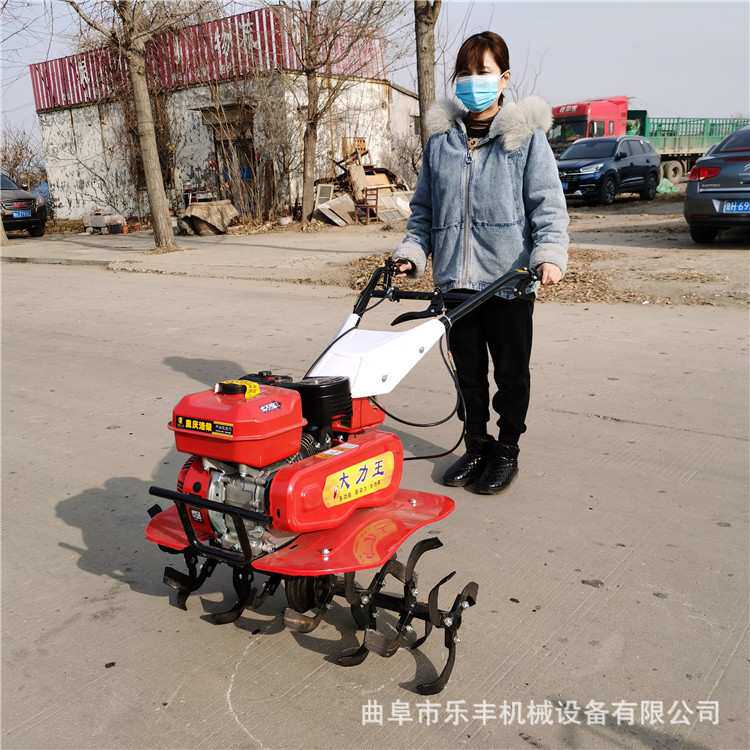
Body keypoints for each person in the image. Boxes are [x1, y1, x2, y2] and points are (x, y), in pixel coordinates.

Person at [392, 31, 569, 494]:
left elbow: (548, 206)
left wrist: (549, 255)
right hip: (456, 281)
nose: (474, 82)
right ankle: (476, 445)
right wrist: (411, 254)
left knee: (510, 375)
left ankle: (506, 450)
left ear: (503, 78)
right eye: (465, 74)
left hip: (509, 281)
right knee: (468, 375)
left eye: (483, 72)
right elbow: (423, 212)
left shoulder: (524, 139)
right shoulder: (441, 143)